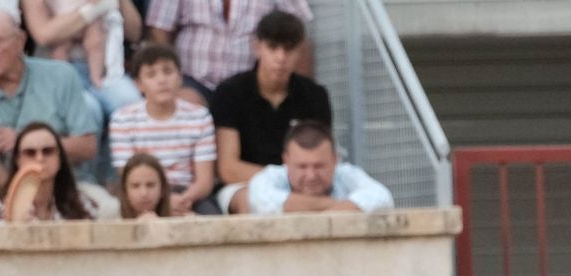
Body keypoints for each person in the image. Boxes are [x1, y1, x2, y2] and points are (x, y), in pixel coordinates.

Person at [0, 10, 98, 193]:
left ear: (20, 40)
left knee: (108, 208)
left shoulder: (61, 76)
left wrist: (22, 141)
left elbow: (87, 146)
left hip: (69, 188)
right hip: (8, 193)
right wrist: (18, 201)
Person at [208, 8, 326, 214]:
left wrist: (298, 185)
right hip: (244, 183)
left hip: (304, 184)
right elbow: (228, 168)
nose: (280, 58)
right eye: (273, 48)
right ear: (257, 47)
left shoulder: (315, 95)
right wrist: (283, 181)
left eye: (288, 49)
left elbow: (321, 155)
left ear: (299, 51)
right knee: (249, 200)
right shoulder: (230, 92)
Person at [108, 43, 212, 212]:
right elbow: (128, 175)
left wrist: (182, 199)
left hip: (188, 194)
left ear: (180, 78)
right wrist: (162, 202)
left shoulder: (200, 117)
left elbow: (204, 181)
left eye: (168, 72)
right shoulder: (122, 120)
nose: (162, 80)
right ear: (139, 84)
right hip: (144, 193)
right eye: (151, 74)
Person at [145, 0, 310, 104]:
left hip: (251, 84)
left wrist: (299, 89)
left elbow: (298, 32)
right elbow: (159, 29)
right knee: (185, 105)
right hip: (192, 81)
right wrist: (172, 81)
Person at [19, 0, 141, 126]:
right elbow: (44, 35)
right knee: (87, 109)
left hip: (107, 68)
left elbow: (134, 33)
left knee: (130, 103)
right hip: (60, 70)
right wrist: (96, 8)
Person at [244, 119, 390, 215]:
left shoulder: (346, 173)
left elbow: (381, 197)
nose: (311, 176)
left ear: (335, 159)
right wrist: (340, 206)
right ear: (286, 160)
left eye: (319, 166)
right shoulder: (271, 175)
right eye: (302, 167)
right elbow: (260, 200)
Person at [0, 121, 99, 221]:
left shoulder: (82, 205)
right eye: (30, 153)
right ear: (18, 160)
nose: (40, 158)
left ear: (59, 158)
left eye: (48, 151)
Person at [114, 149, 169, 218]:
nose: (144, 193)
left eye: (150, 185)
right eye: (135, 186)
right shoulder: (109, 221)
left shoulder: (178, 222)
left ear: (162, 189)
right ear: (125, 191)